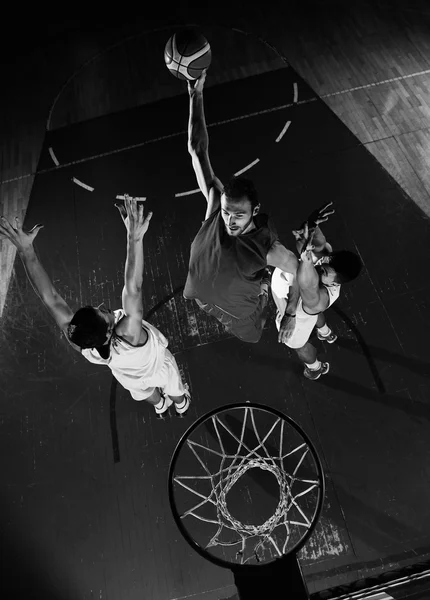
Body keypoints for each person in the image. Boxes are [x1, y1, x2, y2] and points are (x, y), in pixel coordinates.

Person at [0, 195, 190, 417]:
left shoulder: (84, 345)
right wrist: (134, 237)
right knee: (173, 385)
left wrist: (26, 251)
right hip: (158, 367)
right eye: (102, 312)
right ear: (110, 330)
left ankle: (159, 405)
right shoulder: (129, 333)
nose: (102, 306)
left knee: (143, 391)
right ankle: (181, 403)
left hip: (129, 378)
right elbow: (133, 287)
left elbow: (50, 298)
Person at [183, 70, 299, 344]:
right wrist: (195, 95)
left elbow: (299, 271)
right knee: (219, 296)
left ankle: (261, 294)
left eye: (239, 215)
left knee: (253, 334)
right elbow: (196, 148)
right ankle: (257, 285)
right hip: (201, 298)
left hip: (240, 314)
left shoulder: (269, 249)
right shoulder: (215, 207)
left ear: (255, 211)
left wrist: (291, 314)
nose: (229, 220)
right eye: (226, 212)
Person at [271, 202, 362, 379]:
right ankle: (325, 332)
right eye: (325, 262)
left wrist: (305, 258)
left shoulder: (319, 299)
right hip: (306, 311)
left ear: (335, 283)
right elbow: (319, 246)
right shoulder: (328, 265)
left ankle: (314, 367)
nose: (322, 267)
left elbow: (307, 283)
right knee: (313, 315)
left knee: (299, 345)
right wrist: (312, 225)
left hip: (296, 323)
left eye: (326, 271)